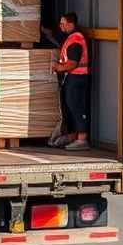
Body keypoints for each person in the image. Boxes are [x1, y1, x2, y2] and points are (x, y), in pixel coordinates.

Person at [49, 13, 90, 151]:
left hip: (78, 78)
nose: (61, 26)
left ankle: (82, 139)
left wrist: (58, 67)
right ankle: (74, 135)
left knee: (76, 106)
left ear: (71, 23)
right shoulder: (70, 38)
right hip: (73, 78)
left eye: (63, 23)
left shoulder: (75, 40)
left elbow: (72, 63)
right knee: (70, 106)